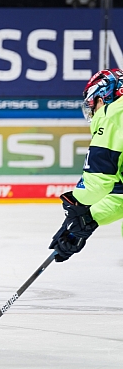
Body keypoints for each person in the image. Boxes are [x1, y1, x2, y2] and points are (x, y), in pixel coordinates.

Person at [50, 68, 123, 262]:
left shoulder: (113, 114)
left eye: (93, 106)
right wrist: (89, 219)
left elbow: (98, 181)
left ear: (102, 99)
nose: (93, 113)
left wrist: (77, 206)